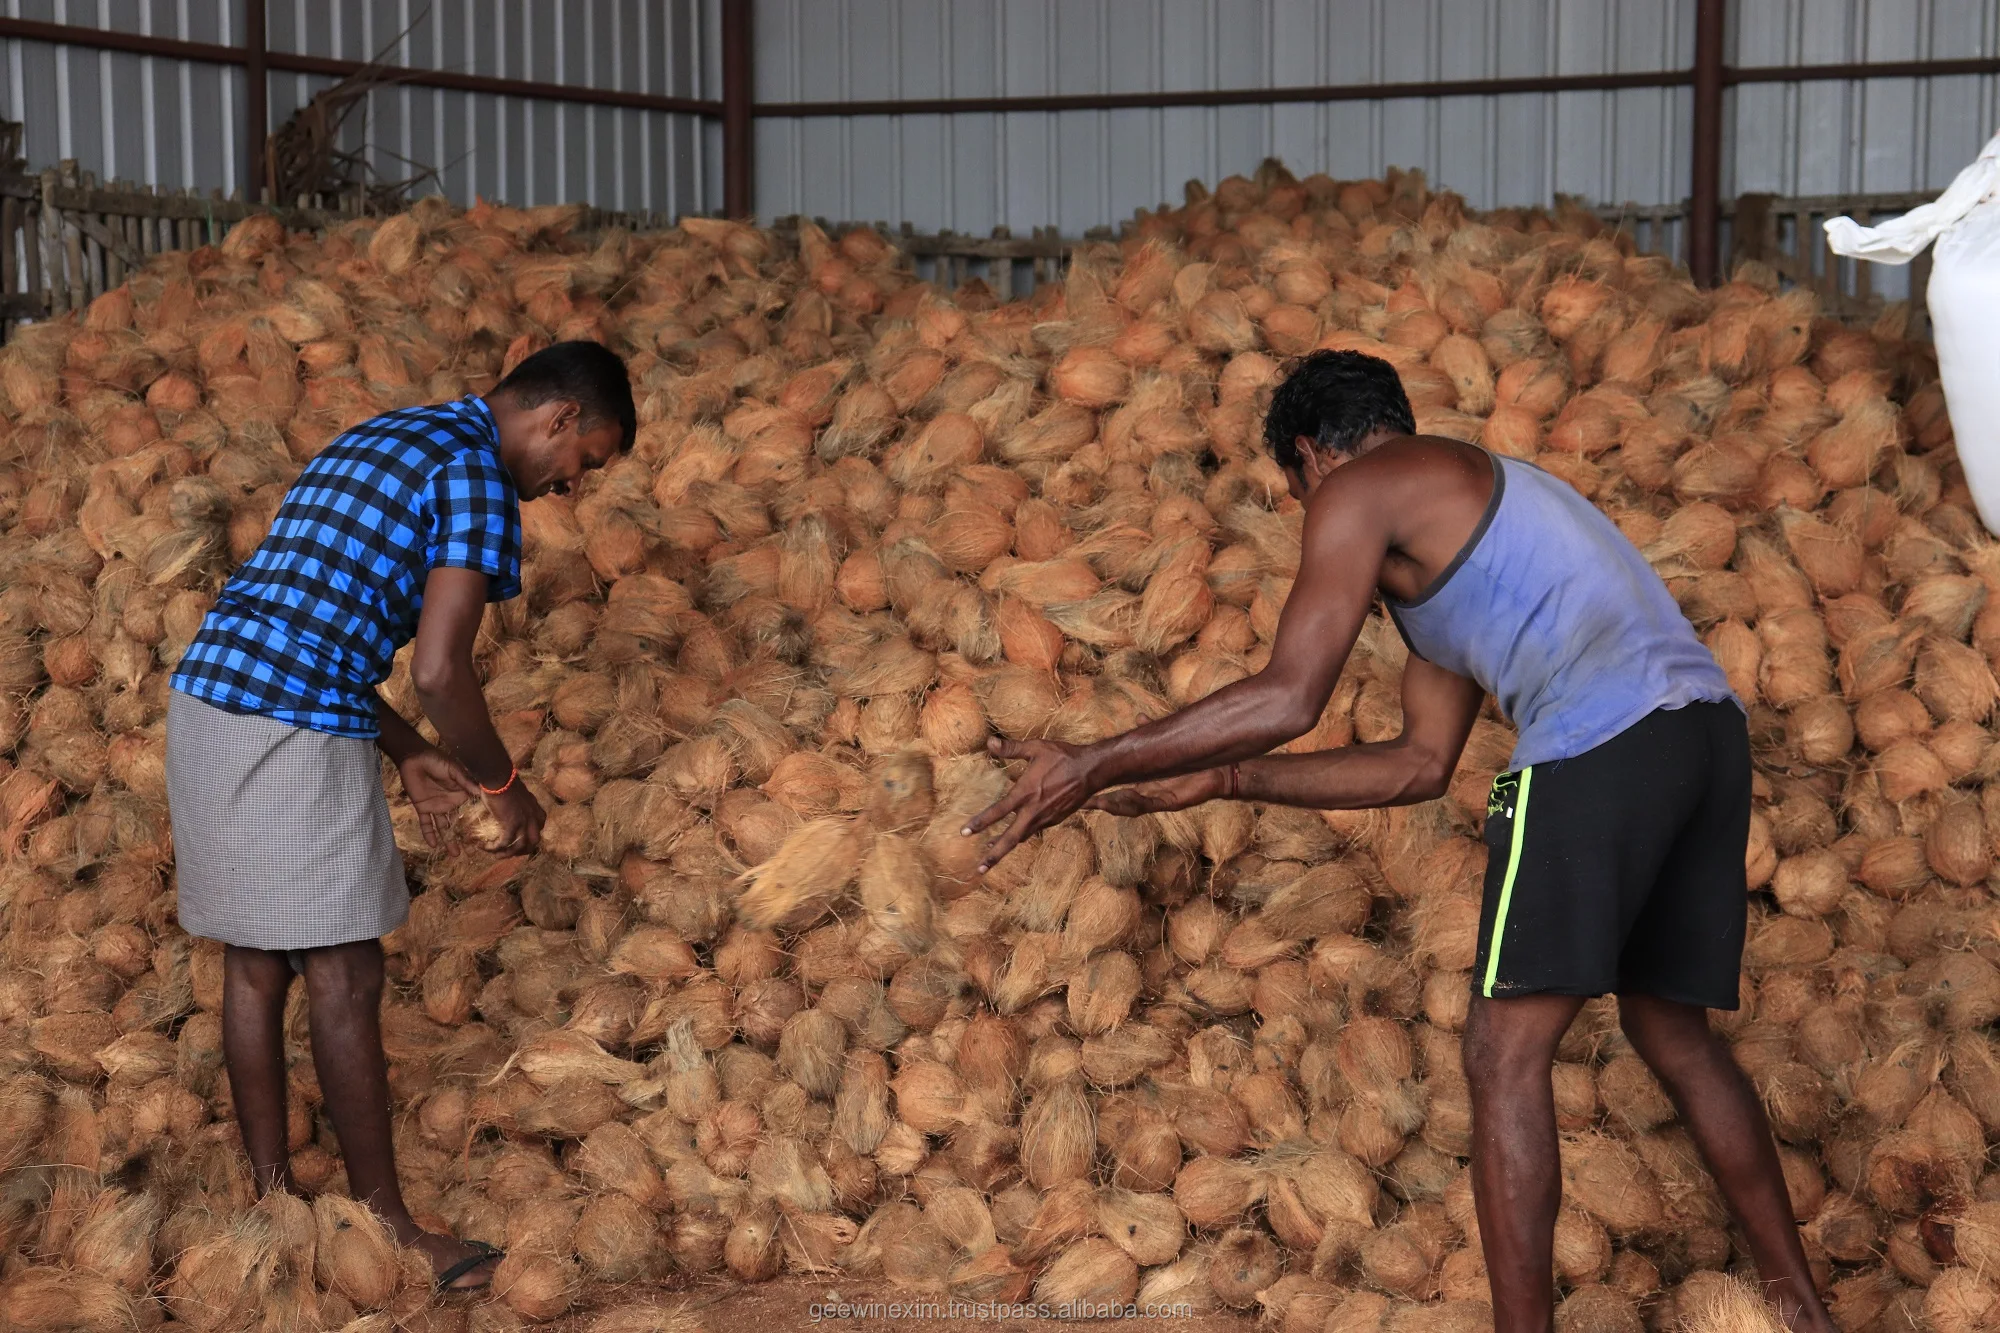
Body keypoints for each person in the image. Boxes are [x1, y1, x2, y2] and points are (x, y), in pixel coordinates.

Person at [963, 349, 1835, 1333]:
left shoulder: (1359, 487)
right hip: (1704, 736)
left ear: (1311, 459)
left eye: (1299, 501)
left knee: (1501, 1056)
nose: (1315, 533)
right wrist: (1227, 777)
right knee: (1670, 1031)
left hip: (1599, 743)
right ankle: (1799, 1308)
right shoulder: (1468, 525)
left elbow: (1291, 694)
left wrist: (1092, 760)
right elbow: (1417, 763)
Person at [165, 341, 635, 1292]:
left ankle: (272, 1205)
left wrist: (405, 749)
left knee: (255, 965)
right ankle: (389, 1225)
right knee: (345, 968)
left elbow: (311, 622)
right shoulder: (476, 481)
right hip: (286, 724)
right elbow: (436, 668)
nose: (565, 489)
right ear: (557, 420)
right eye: (581, 463)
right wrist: (504, 783)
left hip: (211, 701)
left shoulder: (390, 435)